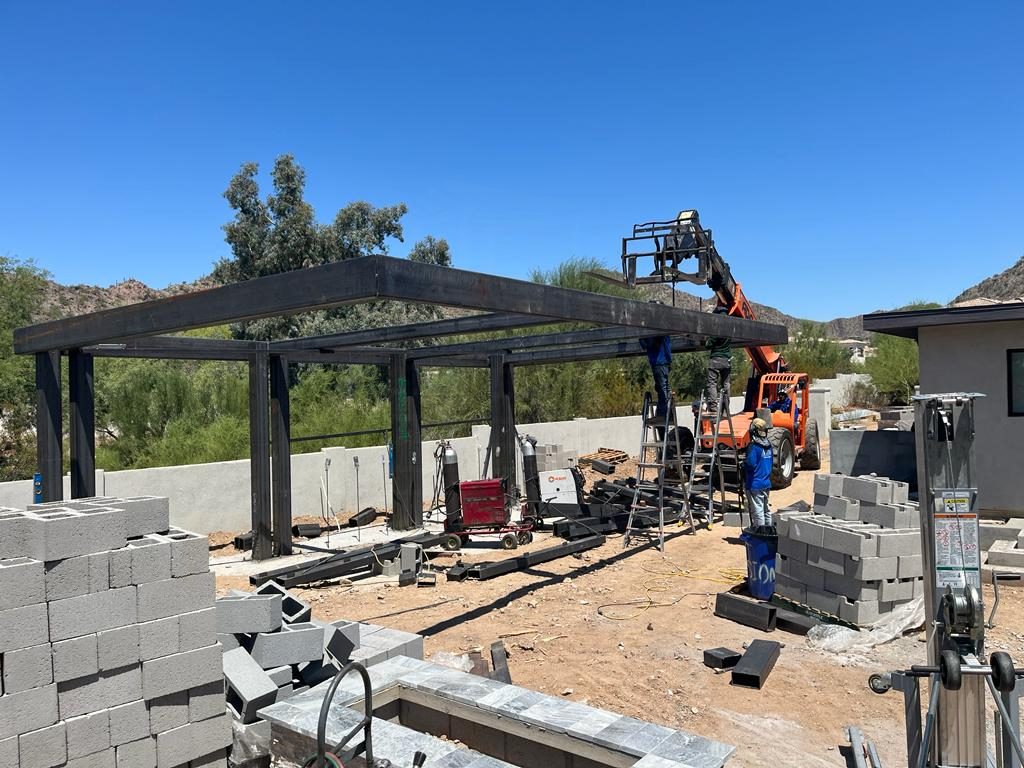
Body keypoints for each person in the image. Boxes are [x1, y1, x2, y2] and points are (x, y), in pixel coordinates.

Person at [639, 334, 672, 437]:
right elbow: (645, 345)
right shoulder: (651, 333)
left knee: (662, 389)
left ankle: (663, 415)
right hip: (658, 363)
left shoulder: (656, 331)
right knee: (661, 389)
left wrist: (643, 338)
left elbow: (651, 344)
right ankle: (664, 414)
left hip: (660, 362)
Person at [744, 417, 773, 530]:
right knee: (766, 509)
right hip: (766, 482)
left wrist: (742, 465)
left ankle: (761, 533)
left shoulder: (754, 446)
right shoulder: (768, 445)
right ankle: (769, 531)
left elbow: (750, 464)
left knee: (758, 511)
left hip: (755, 484)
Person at [704, 304, 732, 413]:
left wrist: (706, 341)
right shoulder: (730, 326)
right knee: (726, 384)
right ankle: (725, 408)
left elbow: (708, 344)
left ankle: (713, 407)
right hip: (726, 360)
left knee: (712, 383)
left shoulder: (717, 327)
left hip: (716, 358)